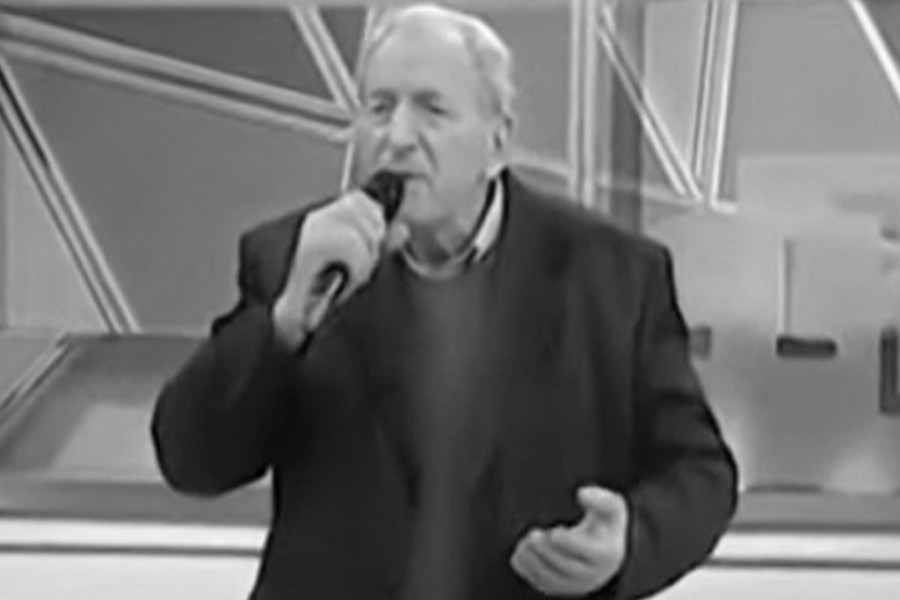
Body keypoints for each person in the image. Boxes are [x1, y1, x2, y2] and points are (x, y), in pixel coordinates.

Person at [150, 4, 738, 599]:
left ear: (497, 142)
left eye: (431, 110)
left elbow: (700, 472)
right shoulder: (293, 258)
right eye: (379, 108)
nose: (397, 138)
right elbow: (192, 459)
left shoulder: (613, 277)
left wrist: (628, 542)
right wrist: (284, 323)